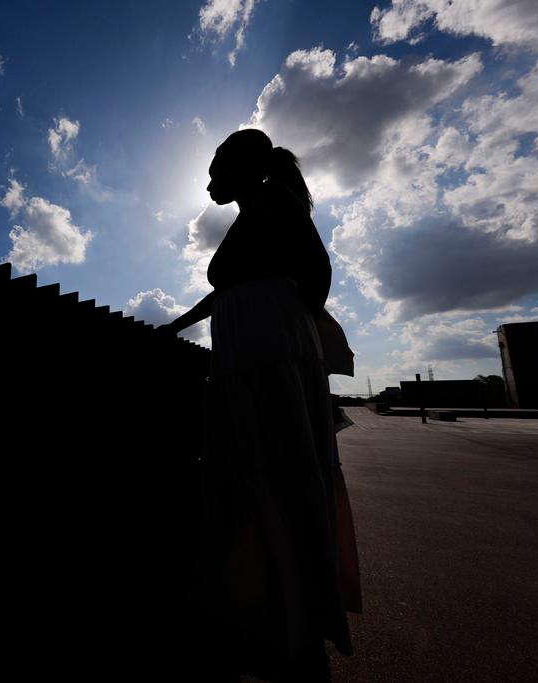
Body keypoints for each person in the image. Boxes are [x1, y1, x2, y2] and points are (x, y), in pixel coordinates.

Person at [158, 129, 354, 681]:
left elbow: (317, 272)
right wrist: (178, 324)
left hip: (265, 348)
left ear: (246, 167)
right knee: (257, 466)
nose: (210, 181)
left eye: (219, 168)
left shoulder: (274, 202)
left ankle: (285, 613)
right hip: (249, 345)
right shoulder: (253, 214)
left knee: (272, 465)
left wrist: (285, 322)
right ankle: (270, 603)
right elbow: (228, 290)